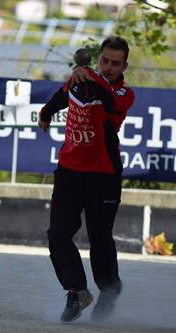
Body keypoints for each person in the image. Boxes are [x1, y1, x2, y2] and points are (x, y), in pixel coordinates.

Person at [38, 36, 135, 322]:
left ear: (124, 66)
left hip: (104, 175)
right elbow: (62, 95)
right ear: (99, 58)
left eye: (115, 64)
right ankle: (77, 291)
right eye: (104, 61)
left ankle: (109, 288)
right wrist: (45, 113)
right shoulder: (80, 80)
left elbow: (107, 98)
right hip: (69, 171)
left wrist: (88, 73)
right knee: (57, 234)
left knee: (100, 237)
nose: (108, 67)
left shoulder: (124, 94)